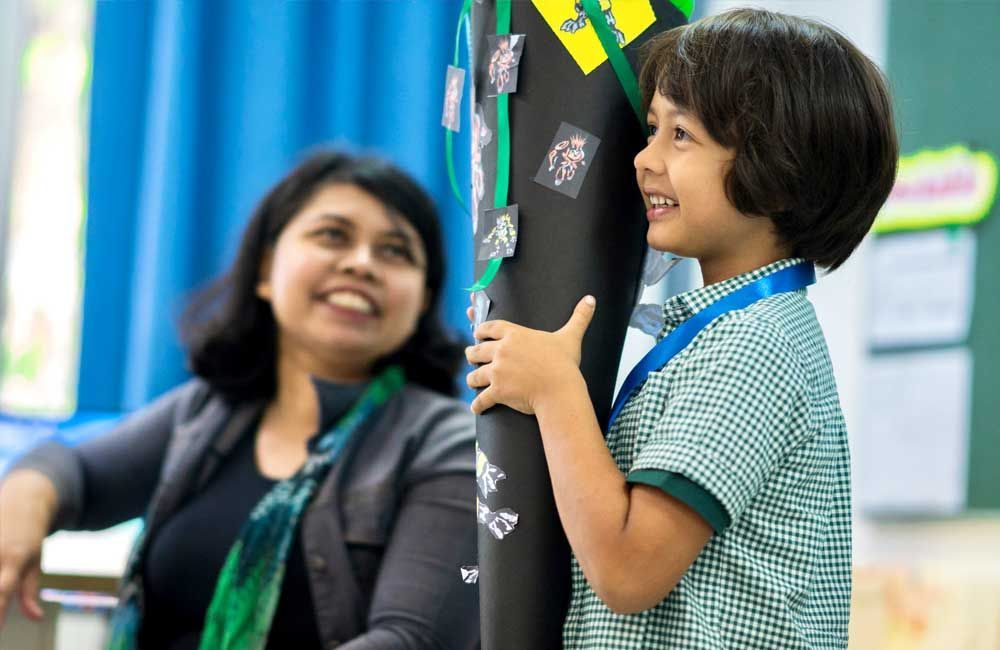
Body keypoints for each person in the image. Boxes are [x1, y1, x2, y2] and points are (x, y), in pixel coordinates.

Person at [464, 8, 897, 649]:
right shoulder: (729, 334)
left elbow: (628, 570)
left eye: (682, 136)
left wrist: (557, 392)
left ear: (779, 171)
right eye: (649, 131)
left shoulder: (755, 348)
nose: (643, 159)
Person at [0, 151, 479, 649]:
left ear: (423, 300)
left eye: (396, 251)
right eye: (333, 235)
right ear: (266, 271)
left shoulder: (447, 443)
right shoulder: (209, 412)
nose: (361, 264)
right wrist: (22, 504)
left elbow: (412, 641)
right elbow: (68, 471)